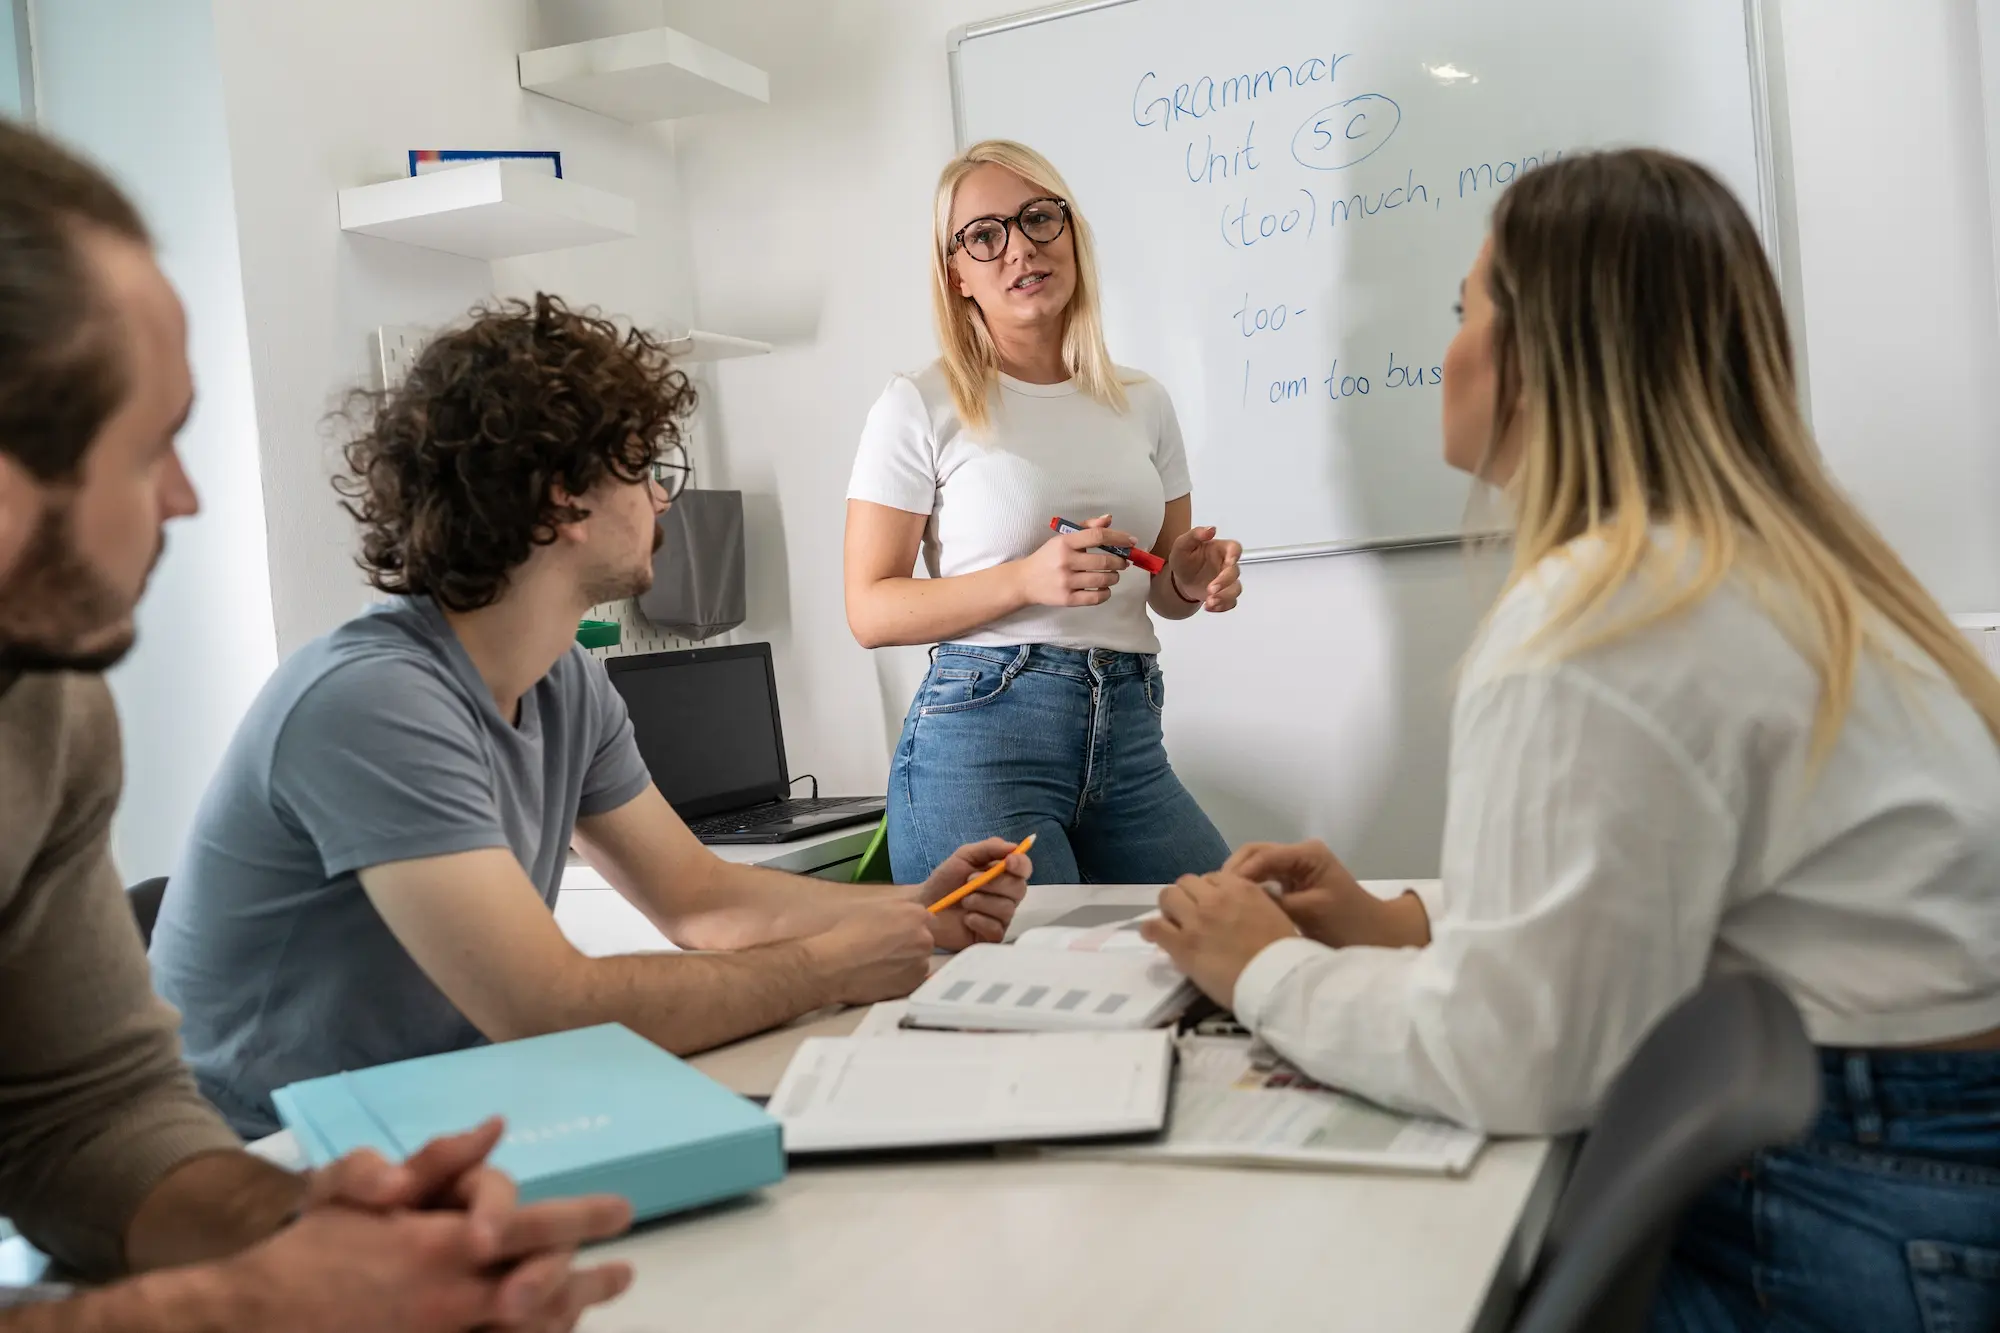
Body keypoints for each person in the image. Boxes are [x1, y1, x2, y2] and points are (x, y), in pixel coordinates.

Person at [1139, 148, 2000, 1333]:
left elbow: (1514, 1058)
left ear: (1544, 352)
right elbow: (1696, 889)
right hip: (1930, 1182)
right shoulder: (1775, 575)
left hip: (1843, 1210)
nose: (1444, 349)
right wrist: (1400, 926)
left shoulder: (1604, 616)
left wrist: (1262, 970)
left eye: (1462, 310)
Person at [0, 119, 630, 1330]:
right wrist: (238, 1309)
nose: (186, 498)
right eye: (151, 446)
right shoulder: (365, 693)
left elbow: (83, 1115)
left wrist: (318, 1234)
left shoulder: (49, 705)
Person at [150, 292, 1032, 1139]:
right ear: (562, 500)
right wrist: (822, 970)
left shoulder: (565, 681)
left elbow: (701, 900)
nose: (662, 500)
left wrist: (914, 910)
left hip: (428, 1121)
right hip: (262, 1157)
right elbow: (549, 1008)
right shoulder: (373, 703)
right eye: (644, 468)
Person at [844, 139, 1244, 887]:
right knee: (1022, 996)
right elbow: (870, 609)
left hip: (1128, 734)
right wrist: (1026, 580)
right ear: (955, 272)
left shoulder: (1143, 401)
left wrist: (1188, 579)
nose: (1020, 248)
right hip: (982, 739)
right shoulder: (919, 404)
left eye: (1038, 219)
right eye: (984, 235)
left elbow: (1162, 591)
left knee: (1239, 936)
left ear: (1071, 234)